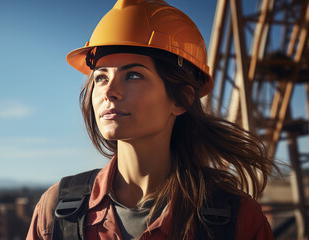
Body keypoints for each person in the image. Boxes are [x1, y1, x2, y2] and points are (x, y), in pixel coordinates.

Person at [27, 0, 277, 239]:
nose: (109, 91)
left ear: (182, 99)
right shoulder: (56, 213)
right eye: (101, 77)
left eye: (133, 75)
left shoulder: (238, 221)